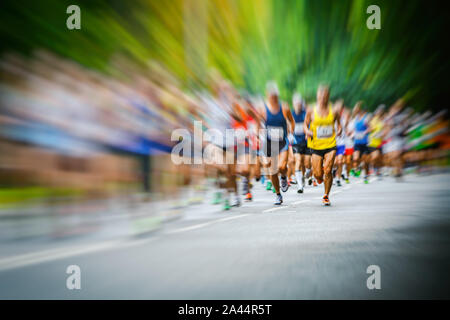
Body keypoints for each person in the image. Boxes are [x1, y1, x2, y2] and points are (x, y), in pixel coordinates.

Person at [304, 84, 341, 206]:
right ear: (317, 96)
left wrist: (339, 130)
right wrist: (308, 131)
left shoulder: (334, 110)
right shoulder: (311, 110)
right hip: (316, 145)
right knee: (318, 174)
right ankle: (319, 178)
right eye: (321, 95)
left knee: (329, 169)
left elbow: (339, 124)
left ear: (328, 96)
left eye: (325, 96)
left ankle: (326, 195)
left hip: (330, 143)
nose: (323, 98)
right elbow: (305, 125)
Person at [260, 81, 295, 205]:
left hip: (282, 142)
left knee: (281, 166)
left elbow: (292, 121)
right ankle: (278, 194)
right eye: (271, 95)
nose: (273, 97)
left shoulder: (284, 107)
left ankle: (284, 177)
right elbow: (258, 123)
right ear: (268, 96)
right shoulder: (264, 109)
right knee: (273, 170)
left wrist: (291, 134)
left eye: (275, 95)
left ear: (277, 95)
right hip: (270, 142)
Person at [291, 92, 310, 193]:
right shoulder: (291, 114)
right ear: (293, 104)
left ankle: (306, 174)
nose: (298, 105)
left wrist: (308, 132)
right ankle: (300, 186)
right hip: (296, 141)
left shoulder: (305, 113)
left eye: (299, 103)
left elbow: (309, 124)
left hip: (306, 141)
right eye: (296, 103)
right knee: (298, 161)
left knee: (307, 163)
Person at [352, 102, 371, 184]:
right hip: (357, 142)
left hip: (365, 142)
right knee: (355, 158)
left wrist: (365, 131)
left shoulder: (366, 118)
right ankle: (358, 168)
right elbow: (354, 129)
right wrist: (352, 133)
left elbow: (371, 128)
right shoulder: (355, 118)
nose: (356, 111)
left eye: (358, 109)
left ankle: (366, 176)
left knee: (365, 161)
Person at [368, 105, 385, 179]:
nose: (380, 112)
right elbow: (370, 128)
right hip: (373, 141)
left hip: (380, 141)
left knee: (379, 158)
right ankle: (370, 166)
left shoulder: (383, 120)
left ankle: (378, 171)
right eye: (379, 111)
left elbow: (385, 129)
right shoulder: (374, 119)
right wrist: (372, 128)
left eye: (381, 111)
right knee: (375, 156)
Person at [333, 99, 346, 187]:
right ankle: (333, 175)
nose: (339, 110)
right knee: (334, 162)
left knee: (340, 161)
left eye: (340, 108)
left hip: (341, 142)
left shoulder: (344, 118)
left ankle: (338, 178)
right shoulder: (330, 117)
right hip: (332, 143)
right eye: (337, 108)